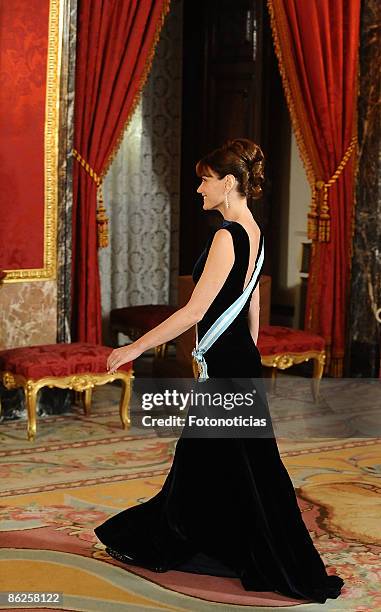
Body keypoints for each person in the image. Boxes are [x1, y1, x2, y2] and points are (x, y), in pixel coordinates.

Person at [95, 138, 344, 603]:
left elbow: (194, 312)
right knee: (215, 463)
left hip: (227, 367)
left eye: (204, 180)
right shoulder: (256, 232)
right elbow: (250, 305)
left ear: (228, 183)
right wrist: (245, 354)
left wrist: (134, 349)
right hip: (235, 361)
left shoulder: (227, 236)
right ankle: (204, 540)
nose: (198, 189)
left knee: (246, 466)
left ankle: (197, 543)